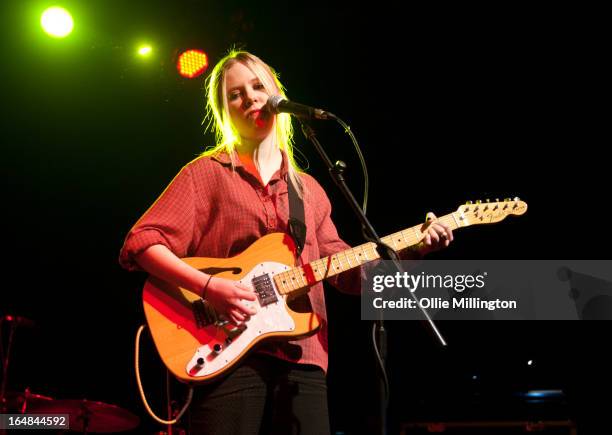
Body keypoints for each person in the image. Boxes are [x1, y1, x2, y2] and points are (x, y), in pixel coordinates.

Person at [119, 50, 453, 435]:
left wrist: (417, 248)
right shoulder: (204, 174)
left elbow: (348, 276)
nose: (251, 98)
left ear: (277, 94)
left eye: (259, 86)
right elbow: (142, 243)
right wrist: (210, 287)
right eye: (236, 94)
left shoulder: (309, 191)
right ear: (225, 112)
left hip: (305, 359)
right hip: (226, 352)